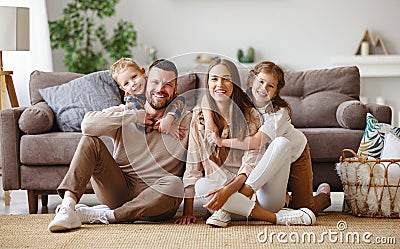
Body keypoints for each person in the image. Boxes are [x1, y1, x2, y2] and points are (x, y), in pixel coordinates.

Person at [48, 59, 191, 232]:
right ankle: (67, 208)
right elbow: (87, 126)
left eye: (167, 84)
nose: (160, 89)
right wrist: (132, 117)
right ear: (147, 81)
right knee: (89, 141)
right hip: (119, 190)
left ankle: (109, 215)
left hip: (158, 198)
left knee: (175, 184)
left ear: (175, 89)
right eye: (155, 82)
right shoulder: (126, 112)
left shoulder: (186, 119)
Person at [175, 58, 315, 227]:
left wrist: (221, 142)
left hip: (257, 191)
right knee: (201, 185)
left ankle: (321, 196)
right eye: (214, 79)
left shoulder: (252, 114)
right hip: (223, 199)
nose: (220, 83)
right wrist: (188, 211)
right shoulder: (200, 119)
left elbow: (253, 154)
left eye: (226, 79)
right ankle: (272, 216)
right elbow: (192, 168)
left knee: (283, 144)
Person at [207, 61, 331, 219]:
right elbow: (207, 100)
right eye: (261, 82)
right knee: (278, 201)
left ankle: (324, 196)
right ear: (252, 80)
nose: (264, 88)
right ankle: (285, 201)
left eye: (270, 86)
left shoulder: (279, 113)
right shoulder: (243, 101)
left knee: (305, 208)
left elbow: (256, 142)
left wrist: (221, 141)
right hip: (270, 158)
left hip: (294, 153)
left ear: (276, 91)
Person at [110, 57, 186, 139]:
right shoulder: (131, 100)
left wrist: (169, 118)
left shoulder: (153, 82)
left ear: (143, 72)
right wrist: (166, 127)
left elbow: (180, 99)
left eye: (134, 77)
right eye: (126, 83)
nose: (132, 84)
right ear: (123, 89)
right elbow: (144, 124)